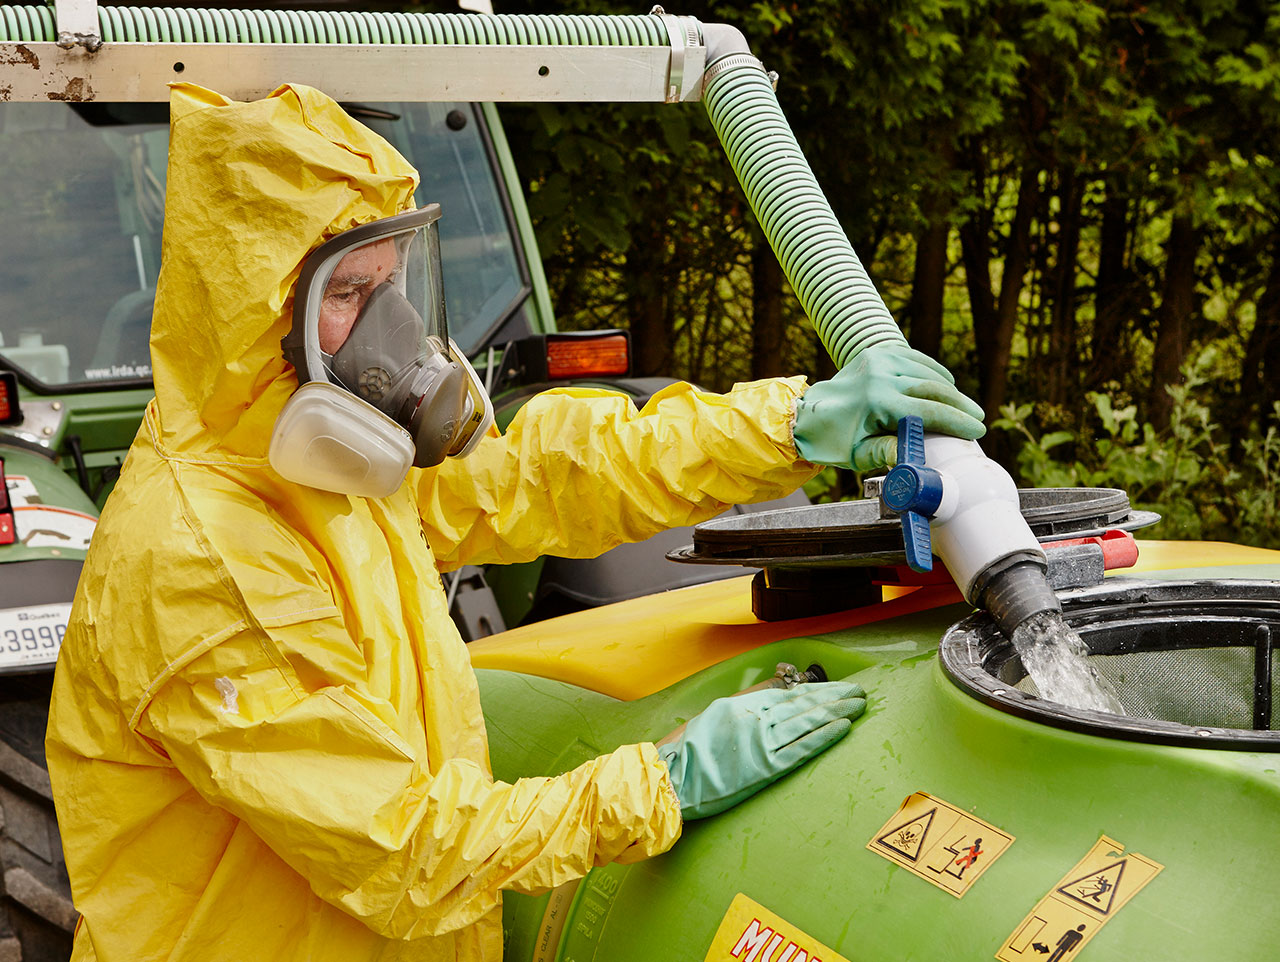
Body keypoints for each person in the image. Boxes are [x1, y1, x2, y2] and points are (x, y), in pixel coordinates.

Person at [45, 84, 985, 962]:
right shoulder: (201, 562)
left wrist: (785, 425)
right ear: (246, 320)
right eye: (346, 296)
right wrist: (659, 785)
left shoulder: (318, 477)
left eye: (391, 282)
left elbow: (539, 476)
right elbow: (403, 849)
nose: (393, 333)